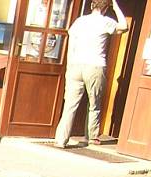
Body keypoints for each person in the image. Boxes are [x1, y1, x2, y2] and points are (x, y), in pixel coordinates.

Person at [54, 0, 128, 148]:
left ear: (92, 5)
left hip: (75, 65)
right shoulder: (106, 21)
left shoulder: (80, 21)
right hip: (95, 66)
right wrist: (116, 6)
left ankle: (61, 139)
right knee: (94, 104)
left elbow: (71, 44)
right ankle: (92, 137)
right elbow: (124, 27)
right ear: (106, 8)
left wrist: (69, 67)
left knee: (70, 105)